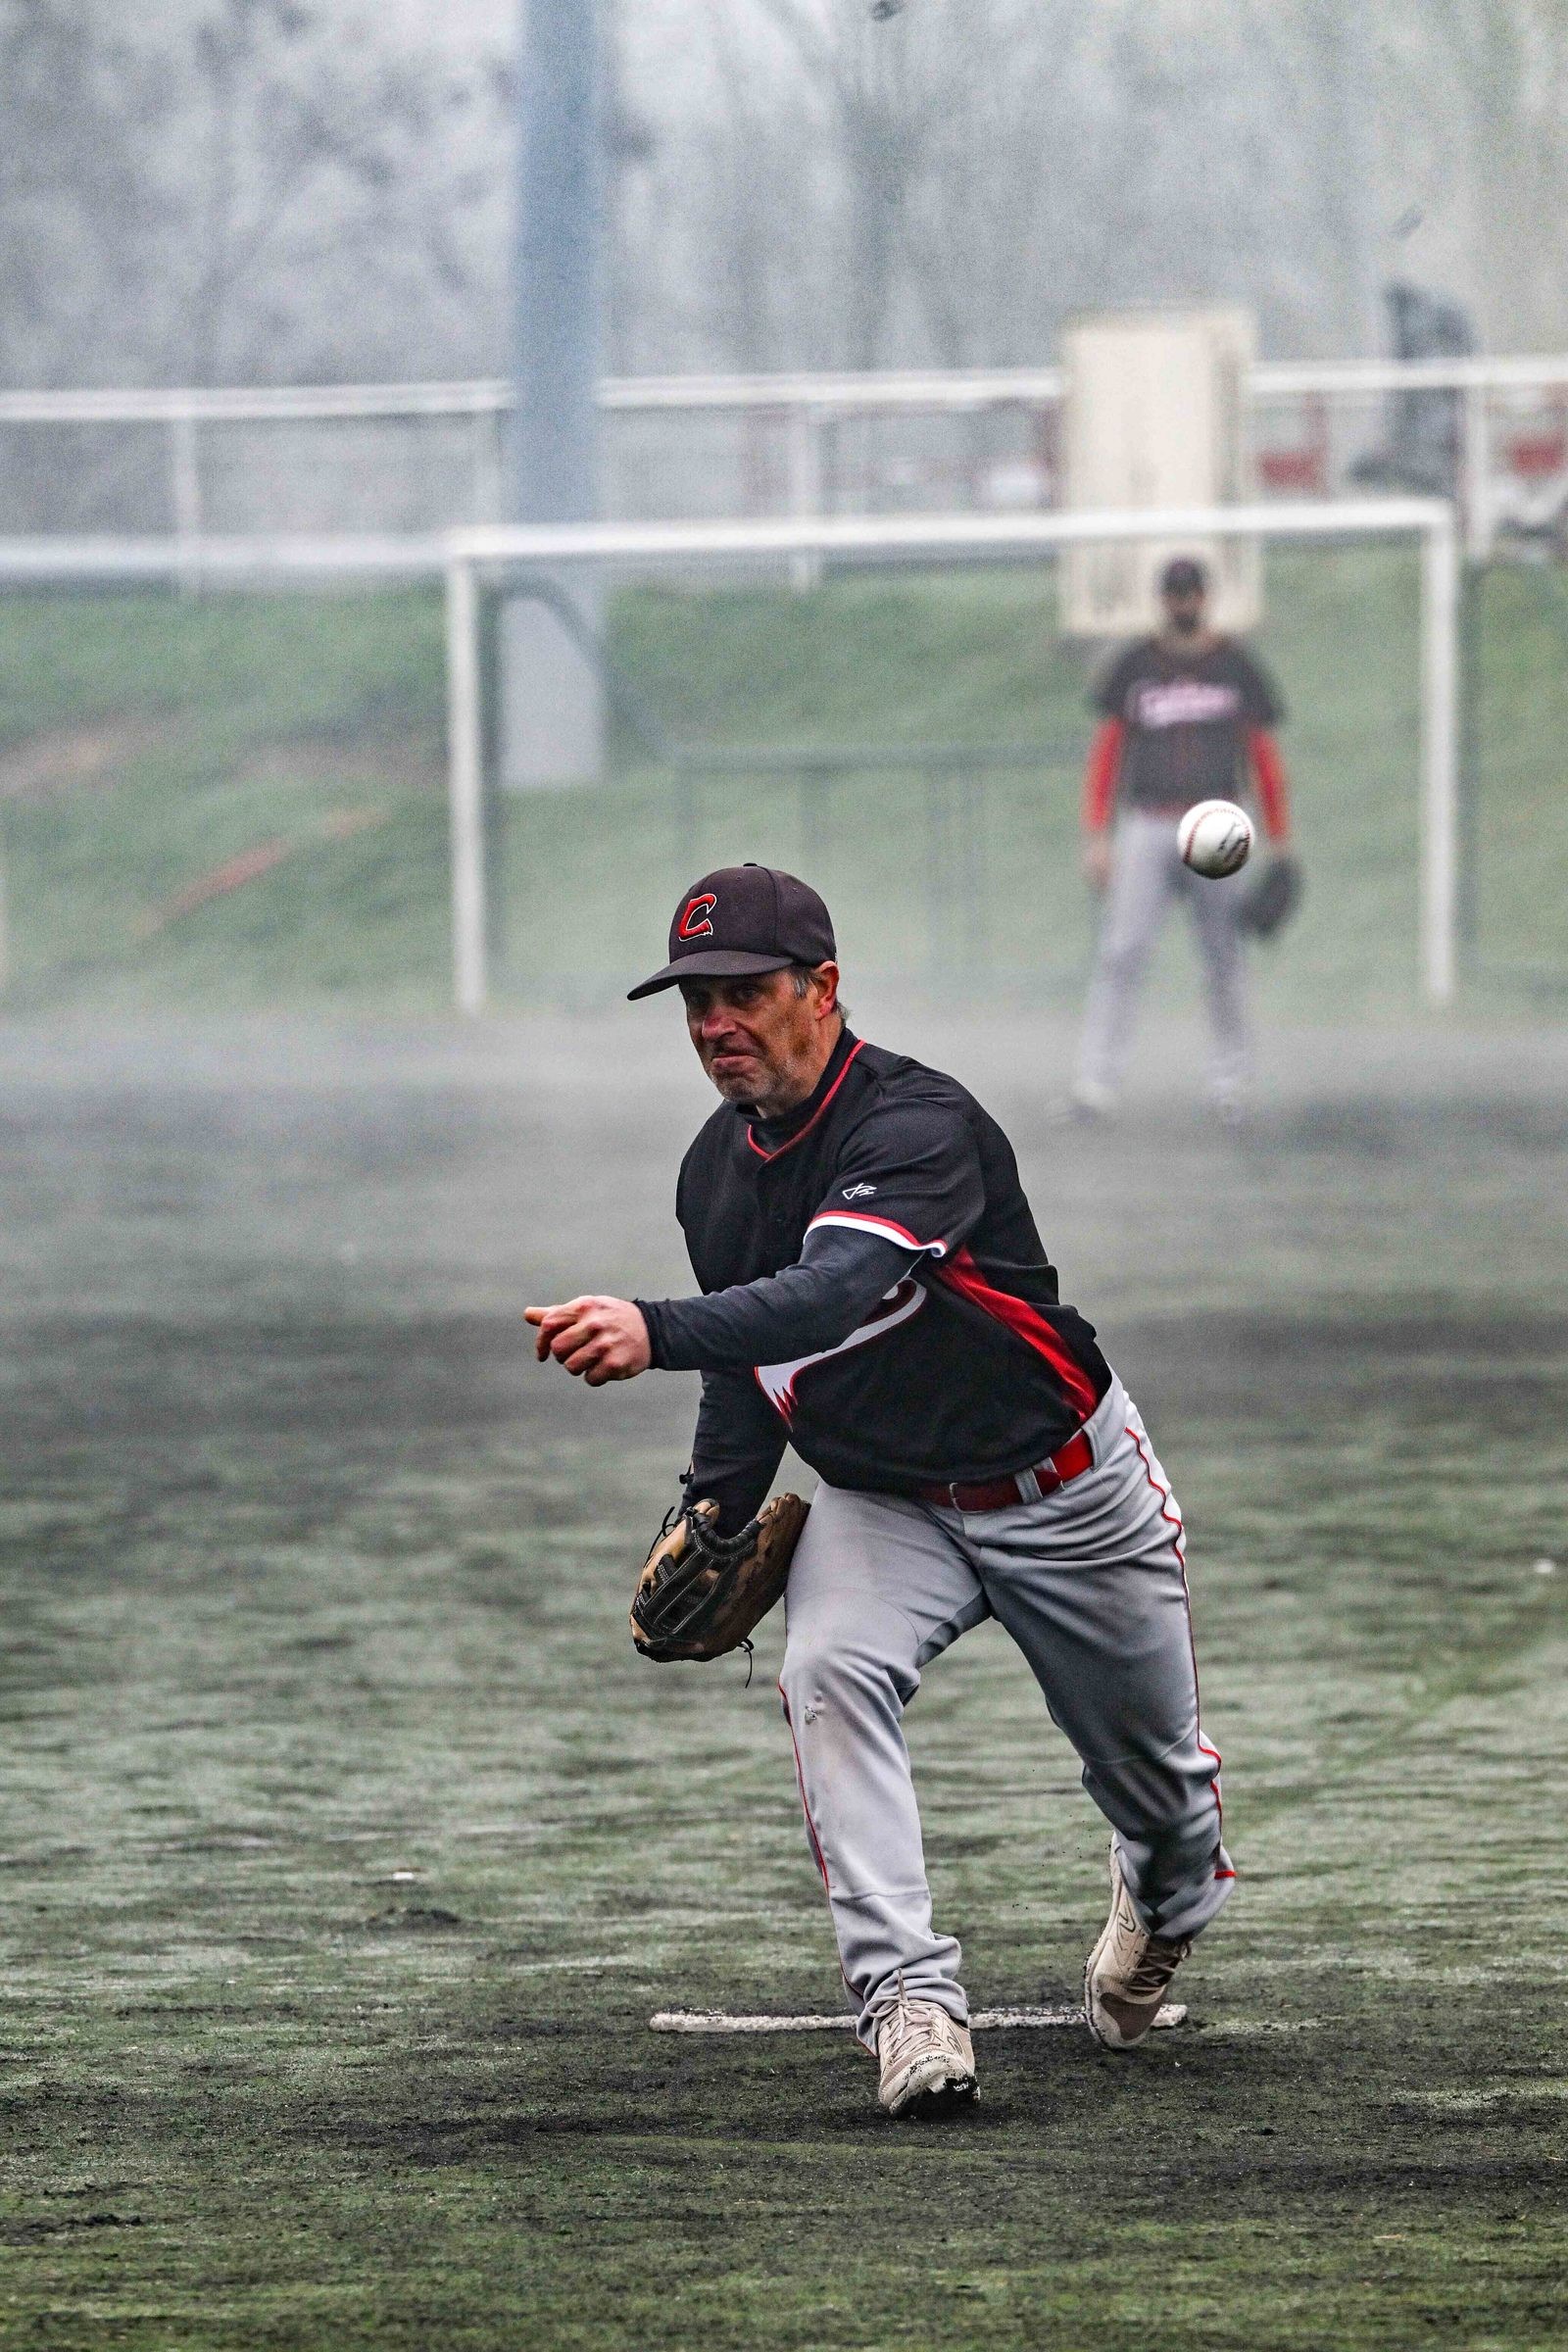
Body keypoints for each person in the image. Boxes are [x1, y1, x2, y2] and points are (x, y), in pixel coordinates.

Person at [527, 864, 1233, 2119]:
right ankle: (907, 2000)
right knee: (826, 1671)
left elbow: (833, 1291)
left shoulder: (915, 1125)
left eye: (743, 993)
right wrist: (713, 1505)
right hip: (885, 1504)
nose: (713, 1026)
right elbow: (759, 1361)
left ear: (823, 990)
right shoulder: (713, 1177)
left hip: (1065, 1494)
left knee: (1164, 1798)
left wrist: (652, 1325)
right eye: (694, 1003)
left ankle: (1161, 1892)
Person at [1071, 555, 1293, 1120]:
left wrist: (1280, 838)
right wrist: (1097, 834)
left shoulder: (1236, 665)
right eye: (1175, 594)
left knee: (1224, 956)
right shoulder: (1134, 665)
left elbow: (1262, 755)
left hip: (1219, 823)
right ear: (1162, 600)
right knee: (1122, 952)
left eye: (1192, 593)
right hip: (1146, 822)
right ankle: (1095, 1082)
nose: (1184, 603)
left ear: (1206, 598)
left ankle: (1231, 1082)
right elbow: (1107, 753)